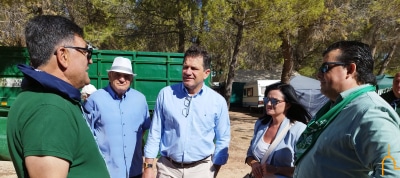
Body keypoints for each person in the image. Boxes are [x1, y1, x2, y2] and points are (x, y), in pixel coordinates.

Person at [6, 15, 109, 178]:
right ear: (63, 55)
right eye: (86, 52)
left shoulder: (49, 101)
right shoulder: (49, 109)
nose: (90, 61)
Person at [294, 41, 400, 177]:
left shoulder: (369, 111)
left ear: (350, 70)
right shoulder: (340, 106)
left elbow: (393, 171)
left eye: (325, 68)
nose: (318, 74)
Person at [143, 45, 230, 178]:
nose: (188, 72)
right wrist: (148, 167)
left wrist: (214, 170)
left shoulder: (218, 102)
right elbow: (155, 132)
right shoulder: (166, 95)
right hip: (168, 169)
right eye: (185, 67)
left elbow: (223, 138)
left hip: (201, 170)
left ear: (206, 73)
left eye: (194, 68)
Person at [84, 56, 151, 178]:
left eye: (126, 76)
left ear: (131, 79)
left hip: (134, 171)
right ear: (110, 76)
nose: (122, 79)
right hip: (105, 172)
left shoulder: (140, 99)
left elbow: (144, 128)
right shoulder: (95, 100)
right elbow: (86, 135)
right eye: (117, 75)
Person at [245, 82, 310, 178]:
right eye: (267, 99)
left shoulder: (299, 129)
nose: (269, 104)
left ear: (288, 105)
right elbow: (250, 153)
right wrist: (254, 163)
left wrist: (276, 170)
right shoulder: (260, 124)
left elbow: (305, 168)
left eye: (275, 101)